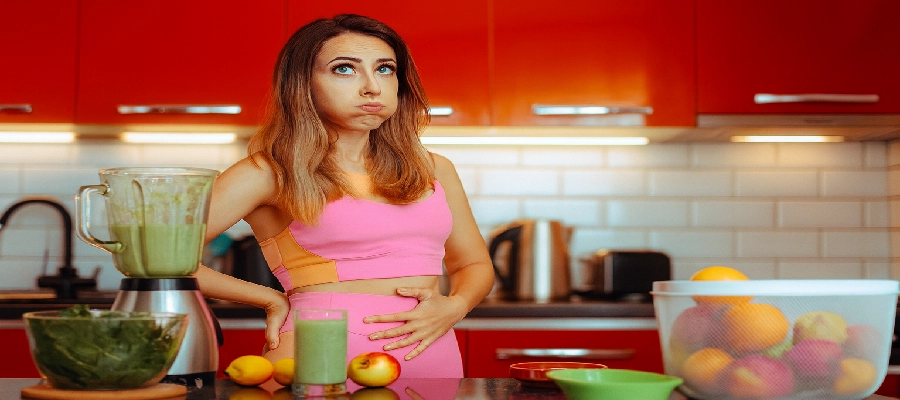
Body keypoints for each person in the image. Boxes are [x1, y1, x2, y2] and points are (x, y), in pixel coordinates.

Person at [194, 14, 494, 378]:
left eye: (385, 69)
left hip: (431, 354)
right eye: (344, 69)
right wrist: (268, 297)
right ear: (302, 84)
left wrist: (455, 306)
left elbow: (473, 265)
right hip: (315, 358)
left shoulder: (433, 169)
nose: (372, 87)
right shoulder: (269, 172)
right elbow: (151, 258)